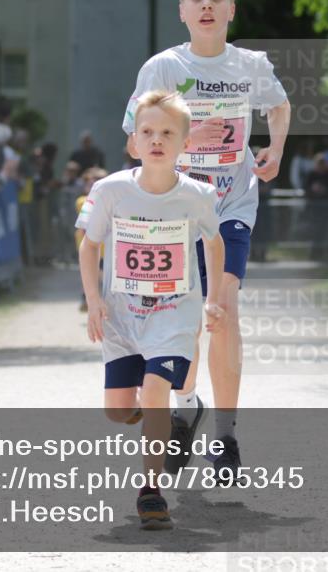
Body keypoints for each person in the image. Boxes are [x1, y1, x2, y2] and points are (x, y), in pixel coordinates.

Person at [121, 0, 290, 478]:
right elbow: (132, 141)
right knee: (184, 322)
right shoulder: (164, 68)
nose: (207, 6)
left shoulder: (250, 65)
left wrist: (275, 149)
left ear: (231, 9)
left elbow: (278, 106)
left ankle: (227, 435)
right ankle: (186, 404)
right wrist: (175, 141)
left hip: (231, 206)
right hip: (175, 211)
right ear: (182, 11)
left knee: (224, 310)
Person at [78, 90, 225, 529]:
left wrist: (213, 298)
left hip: (174, 311)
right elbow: (90, 246)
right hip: (123, 316)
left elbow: (214, 245)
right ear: (133, 143)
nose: (156, 139)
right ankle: (155, 420)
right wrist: (93, 301)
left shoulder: (198, 194)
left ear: (184, 144)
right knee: (119, 411)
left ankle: (151, 491)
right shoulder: (110, 190)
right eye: (147, 132)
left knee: (156, 388)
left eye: (166, 132)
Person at [74, 166, 108, 309]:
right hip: (90, 245)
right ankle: (87, 298)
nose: (92, 187)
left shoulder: (110, 201)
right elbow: (84, 225)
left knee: (103, 274)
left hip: (106, 248)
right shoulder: (83, 201)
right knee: (90, 272)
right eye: (89, 184)